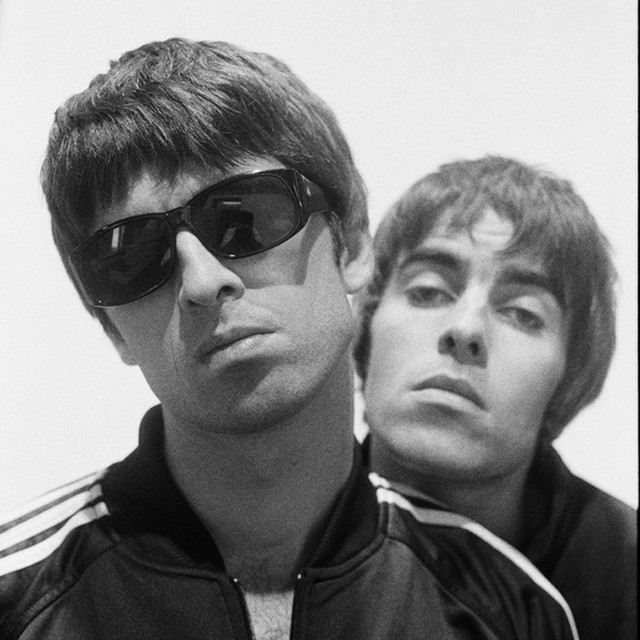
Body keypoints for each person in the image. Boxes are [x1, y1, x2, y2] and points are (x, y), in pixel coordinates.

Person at [0, 40, 579, 640]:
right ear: (111, 327)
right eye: (132, 257)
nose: (203, 282)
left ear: (352, 245)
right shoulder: (17, 601)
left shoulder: (510, 610)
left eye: (243, 218)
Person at [354, 155, 637, 640]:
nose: (465, 329)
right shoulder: (266, 531)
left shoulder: (624, 576)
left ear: (569, 378)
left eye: (523, 314)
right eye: (428, 291)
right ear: (365, 326)